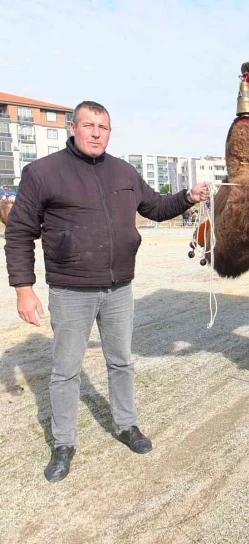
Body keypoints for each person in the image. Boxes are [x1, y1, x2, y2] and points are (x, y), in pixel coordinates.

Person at [4, 101, 212, 482]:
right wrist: (23, 289)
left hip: (119, 289)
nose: (96, 132)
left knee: (121, 363)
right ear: (73, 128)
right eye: (89, 125)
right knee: (66, 371)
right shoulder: (43, 173)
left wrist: (188, 196)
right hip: (70, 291)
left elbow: (156, 206)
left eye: (103, 126)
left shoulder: (124, 171)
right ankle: (64, 444)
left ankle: (126, 425)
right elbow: (18, 232)